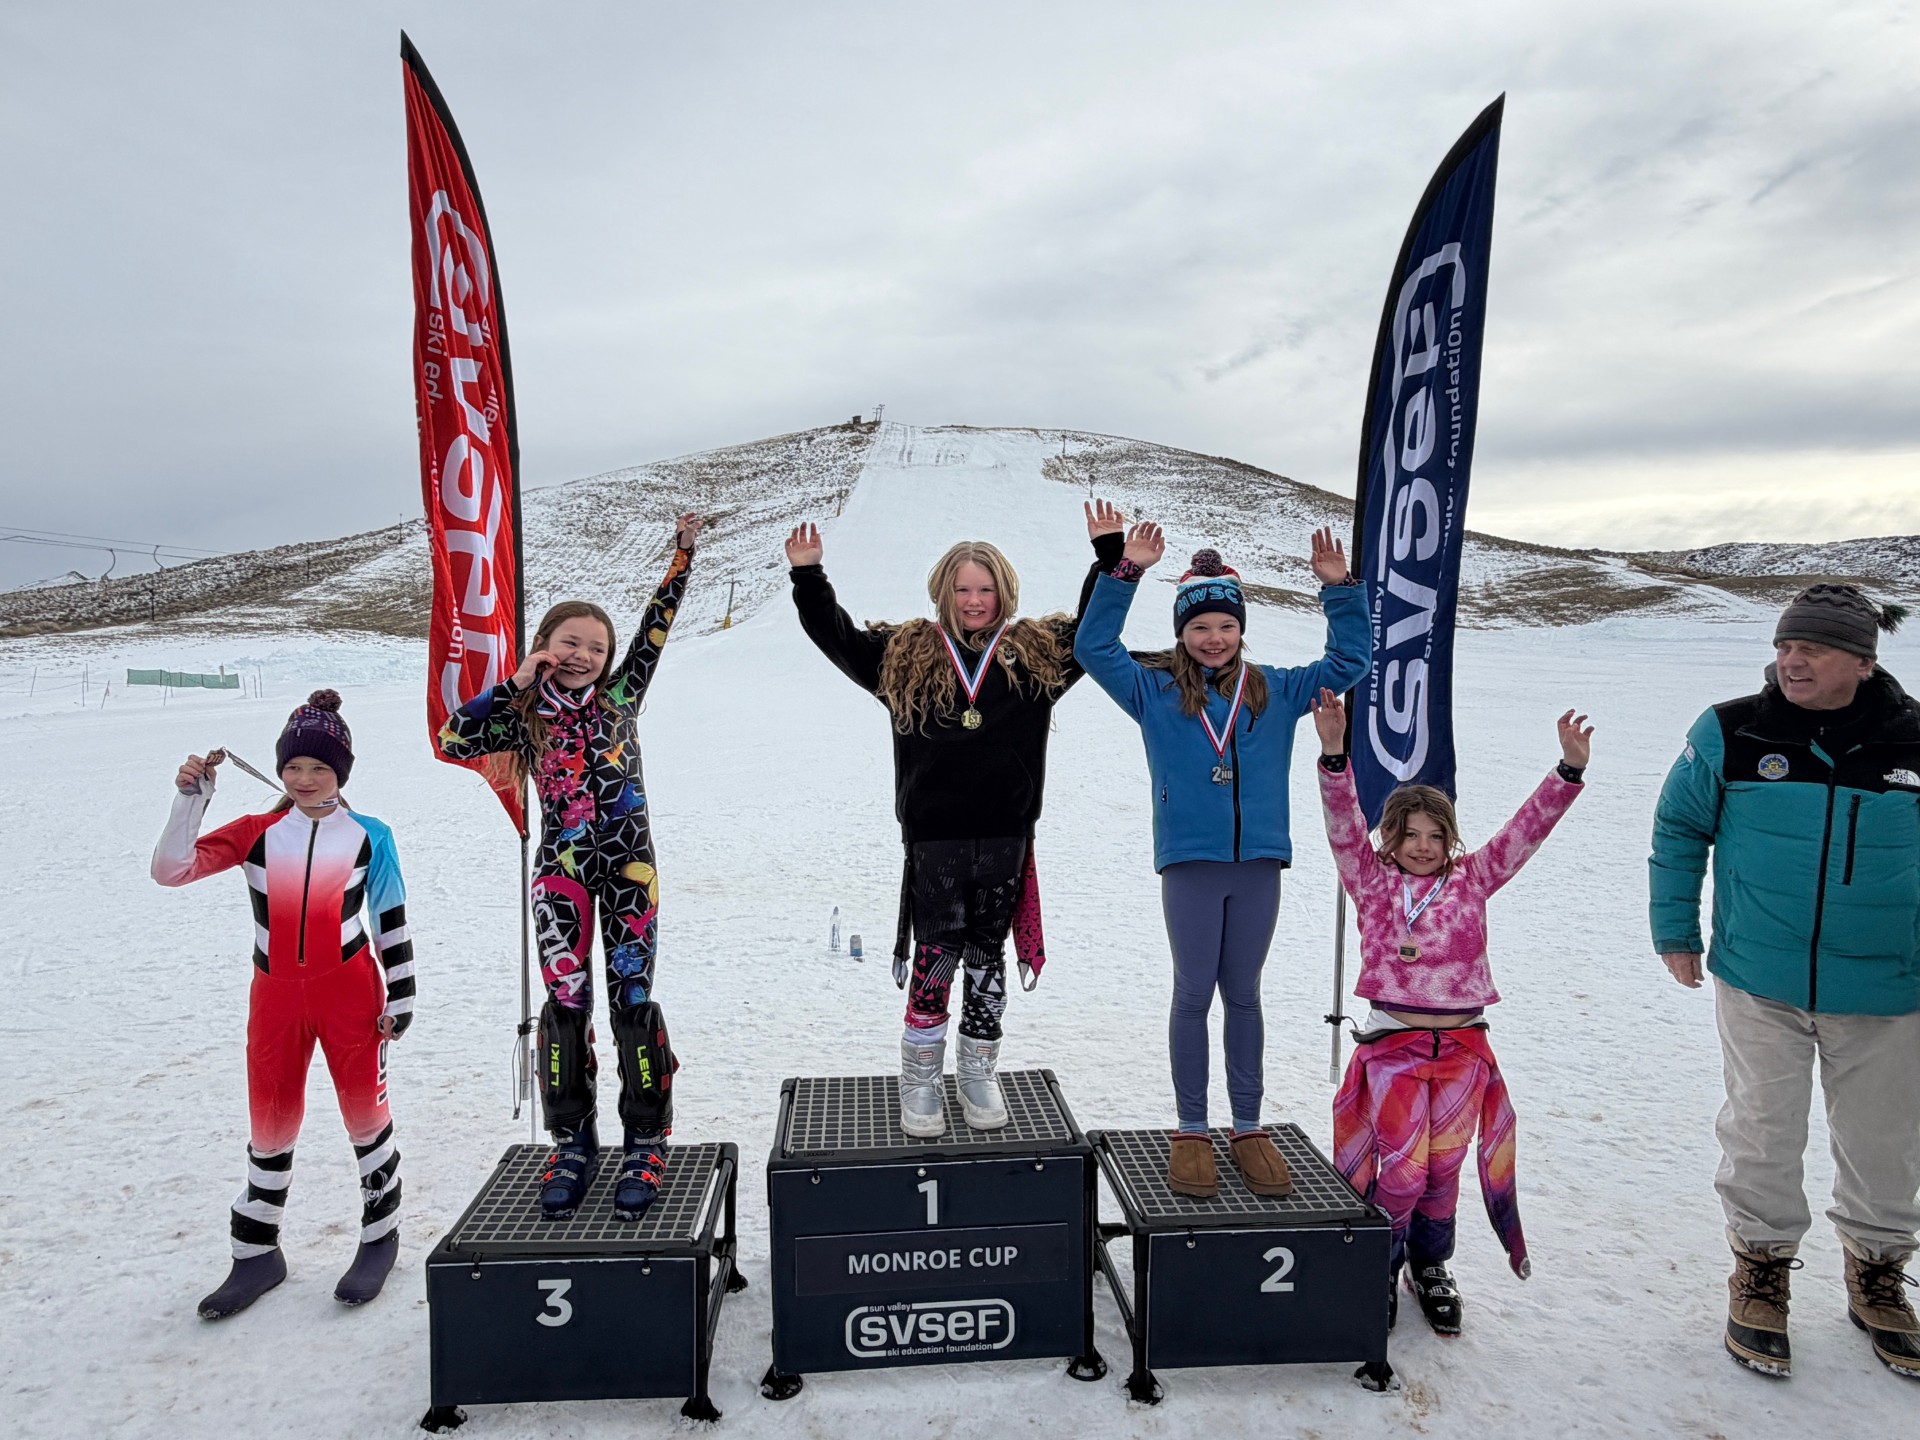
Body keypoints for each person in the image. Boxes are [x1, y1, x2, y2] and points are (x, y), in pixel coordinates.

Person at [785, 503, 1125, 1137]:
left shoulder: (1036, 656)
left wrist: (1109, 560)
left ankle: (976, 1069)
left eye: (986, 589)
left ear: (1004, 592)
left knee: (987, 957)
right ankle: (920, 1077)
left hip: (1005, 837)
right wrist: (809, 577)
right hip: (934, 841)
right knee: (936, 955)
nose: (974, 601)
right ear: (944, 591)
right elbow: (839, 638)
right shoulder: (905, 656)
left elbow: (1093, 632)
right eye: (963, 589)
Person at [1651, 583, 1920, 1380]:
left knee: (1883, 1141)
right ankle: (1761, 1270)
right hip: (1760, 975)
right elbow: (1681, 827)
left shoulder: (1913, 740)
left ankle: (1877, 1272)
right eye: (1784, 646)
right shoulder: (1734, 730)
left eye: (1813, 648)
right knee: (1762, 1131)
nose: (1791, 661)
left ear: (1863, 662)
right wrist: (1675, 931)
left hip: (1887, 984)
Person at [1074, 521, 1367, 1199]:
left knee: (1244, 995)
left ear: (1241, 630)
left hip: (1257, 864)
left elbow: (1350, 662)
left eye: (1226, 626)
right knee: (1192, 993)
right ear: (1181, 632)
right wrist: (1125, 573)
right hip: (1191, 865)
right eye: (1200, 626)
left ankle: (1248, 1127)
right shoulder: (1151, 691)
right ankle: (1191, 1129)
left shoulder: (1278, 691)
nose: (1214, 638)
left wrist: (1340, 592)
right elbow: (1093, 647)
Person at [438, 514, 701, 1220]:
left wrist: (681, 557)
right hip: (561, 874)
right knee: (565, 1010)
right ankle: (573, 1143)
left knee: (633, 1004)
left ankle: (646, 1139)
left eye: (596, 646)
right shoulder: (523, 714)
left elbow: (655, 629)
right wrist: (514, 684)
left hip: (630, 873)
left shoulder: (622, 695)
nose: (583, 655)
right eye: (569, 643)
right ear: (544, 647)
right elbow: (454, 737)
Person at [1312, 689, 1590, 1334]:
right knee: (1402, 1170)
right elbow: (1343, 824)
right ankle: (1379, 1264)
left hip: (1464, 1052)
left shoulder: (1473, 879)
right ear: (1390, 837)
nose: (1423, 846)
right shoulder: (1371, 882)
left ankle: (1430, 1263)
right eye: (1410, 834)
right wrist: (1334, 754)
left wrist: (1568, 770)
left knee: (1444, 1169)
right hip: (1395, 1051)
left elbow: (1524, 833)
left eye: (1436, 835)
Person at [152, 690, 414, 1318]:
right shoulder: (258, 834)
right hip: (274, 998)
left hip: (351, 995)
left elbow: (391, 919)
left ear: (341, 771)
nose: (304, 779)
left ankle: (380, 1239)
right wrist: (192, 799)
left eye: (319, 767)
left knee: (365, 1117)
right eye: (293, 766)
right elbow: (171, 869)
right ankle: (255, 1253)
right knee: (270, 1121)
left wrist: (402, 996)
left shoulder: (370, 836)